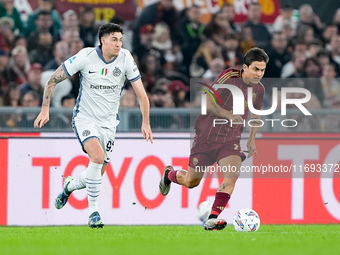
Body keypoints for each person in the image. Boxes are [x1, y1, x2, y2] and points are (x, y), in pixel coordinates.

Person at [34, 23, 153, 228]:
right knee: (96, 157)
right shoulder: (85, 57)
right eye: (114, 39)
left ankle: (69, 186)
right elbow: (52, 80)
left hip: (109, 123)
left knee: (96, 173)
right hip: (85, 118)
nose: (118, 44)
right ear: (103, 40)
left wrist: (146, 122)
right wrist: (45, 109)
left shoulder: (126, 58)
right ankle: (94, 213)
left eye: (120, 39)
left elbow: (142, 95)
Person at [159, 47, 269, 231]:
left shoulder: (259, 89)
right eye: (256, 69)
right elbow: (207, 102)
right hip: (207, 135)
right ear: (245, 67)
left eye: (263, 70)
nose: (259, 74)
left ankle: (212, 218)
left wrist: (251, 139)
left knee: (231, 176)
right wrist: (227, 114)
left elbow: (256, 115)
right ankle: (169, 174)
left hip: (230, 139)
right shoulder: (229, 77)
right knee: (191, 182)